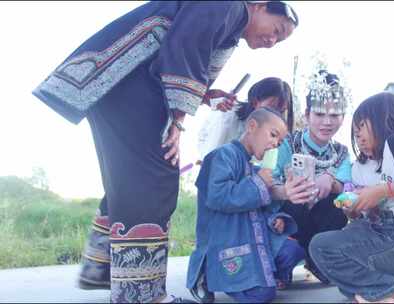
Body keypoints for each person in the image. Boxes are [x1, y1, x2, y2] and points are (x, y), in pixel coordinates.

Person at [31, 1, 299, 302]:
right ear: (261, 5)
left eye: (279, 40)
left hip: (123, 89)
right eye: (276, 30)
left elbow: (174, 49)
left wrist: (202, 96)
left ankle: (105, 269)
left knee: (131, 180)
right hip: (130, 91)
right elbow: (186, 43)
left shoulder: (230, 20)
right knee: (155, 178)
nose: (271, 41)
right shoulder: (230, 5)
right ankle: (140, 293)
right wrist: (178, 116)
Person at [309, 91, 394, 303]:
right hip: (382, 237)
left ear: (384, 120)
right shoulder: (361, 166)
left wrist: (382, 190)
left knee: (320, 246)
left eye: (362, 127)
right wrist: (352, 206)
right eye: (354, 132)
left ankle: (387, 288)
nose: (358, 136)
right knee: (347, 266)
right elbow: (360, 213)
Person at [186, 107, 305, 303]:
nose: (275, 144)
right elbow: (218, 196)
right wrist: (258, 183)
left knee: (293, 251)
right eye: (273, 135)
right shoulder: (222, 156)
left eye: (280, 142)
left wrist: (285, 192)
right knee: (261, 295)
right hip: (226, 240)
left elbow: (262, 197)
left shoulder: (252, 166)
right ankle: (207, 273)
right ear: (252, 126)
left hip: (248, 235)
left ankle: (261, 276)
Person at [270, 70, 352, 284]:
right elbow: (268, 180)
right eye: (319, 114)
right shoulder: (288, 143)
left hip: (322, 220)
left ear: (343, 116)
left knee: (336, 205)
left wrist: (331, 181)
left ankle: (318, 260)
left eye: (334, 115)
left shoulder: (342, 152)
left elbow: (347, 188)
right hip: (288, 216)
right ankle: (287, 259)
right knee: (296, 202)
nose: (327, 122)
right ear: (307, 115)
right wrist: (287, 189)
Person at [197, 76, 294, 161]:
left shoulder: (269, 134)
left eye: (280, 111)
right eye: (271, 108)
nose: (275, 115)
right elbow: (211, 156)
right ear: (255, 102)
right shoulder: (229, 117)